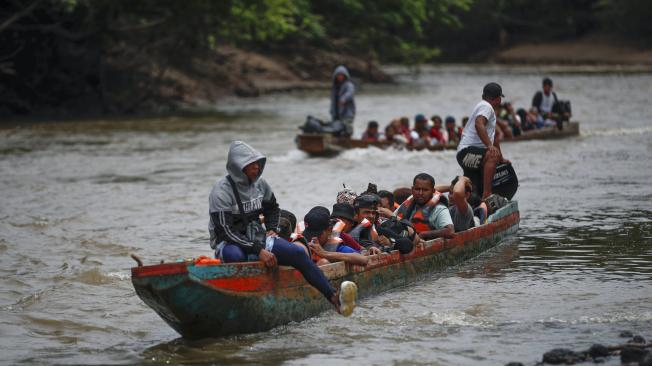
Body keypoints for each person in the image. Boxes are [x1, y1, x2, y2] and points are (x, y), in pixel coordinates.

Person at [208, 141, 355, 315]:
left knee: (298, 253)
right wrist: (259, 250)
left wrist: (272, 228)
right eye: (251, 164)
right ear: (238, 167)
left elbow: (272, 208)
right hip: (229, 241)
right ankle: (239, 305)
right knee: (236, 256)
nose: (256, 168)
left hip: (256, 236)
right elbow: (226, 231)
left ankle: (332, 296)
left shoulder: (260, 185)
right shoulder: (221, 192)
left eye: (258, 164)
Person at [456, 82, 510, 200]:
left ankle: (475, 206)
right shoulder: (486, 107)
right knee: (491, 155)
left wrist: (500, 158)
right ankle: (487, 195)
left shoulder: (484, 107)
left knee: (473, 195)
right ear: (497, 99)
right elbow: (478, 124)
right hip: (467, 153)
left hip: (471, 155)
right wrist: (490, 147)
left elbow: (493, 138)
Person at [296, 206, 369, 266]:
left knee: (323, 262)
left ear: (329, 230)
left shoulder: (337, 247)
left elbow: (364, 260)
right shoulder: (302, 243)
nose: (313, 239)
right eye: (309, 235)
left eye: (318, 235)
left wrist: (324, 253)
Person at [394, 173, 454, 240]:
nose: (420, 193)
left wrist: (424, 234)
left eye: (425, 190)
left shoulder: (439, 209)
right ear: (412, 189)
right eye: (417, 189)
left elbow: (450, 231)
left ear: (433, 191)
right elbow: (393, 218)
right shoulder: (408, 203)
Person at [330, 65, 356, 136]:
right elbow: (332, 102)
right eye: (338, 75)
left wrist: (343, 99)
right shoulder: (334, 87)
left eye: (342, 75)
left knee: (347, 131)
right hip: (336, 114)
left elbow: (350, 93)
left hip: (347, 114)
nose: (340, 77)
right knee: (336, 131)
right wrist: (332, 112)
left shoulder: (349, 85)